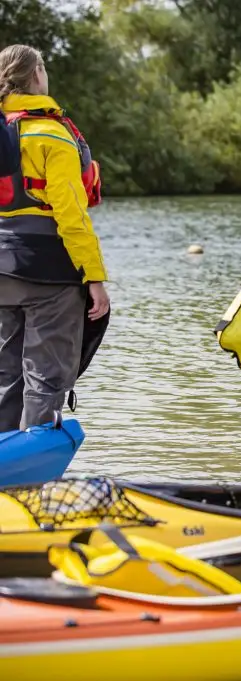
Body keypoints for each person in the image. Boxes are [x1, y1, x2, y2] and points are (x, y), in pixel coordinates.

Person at [0, 44, 110, 432]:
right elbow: (71, 214)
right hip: (51, 274)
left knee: (4, 381)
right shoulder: (53, 133)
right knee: (44, 382)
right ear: (37, 76)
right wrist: (94, 276)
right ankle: (32, 481)